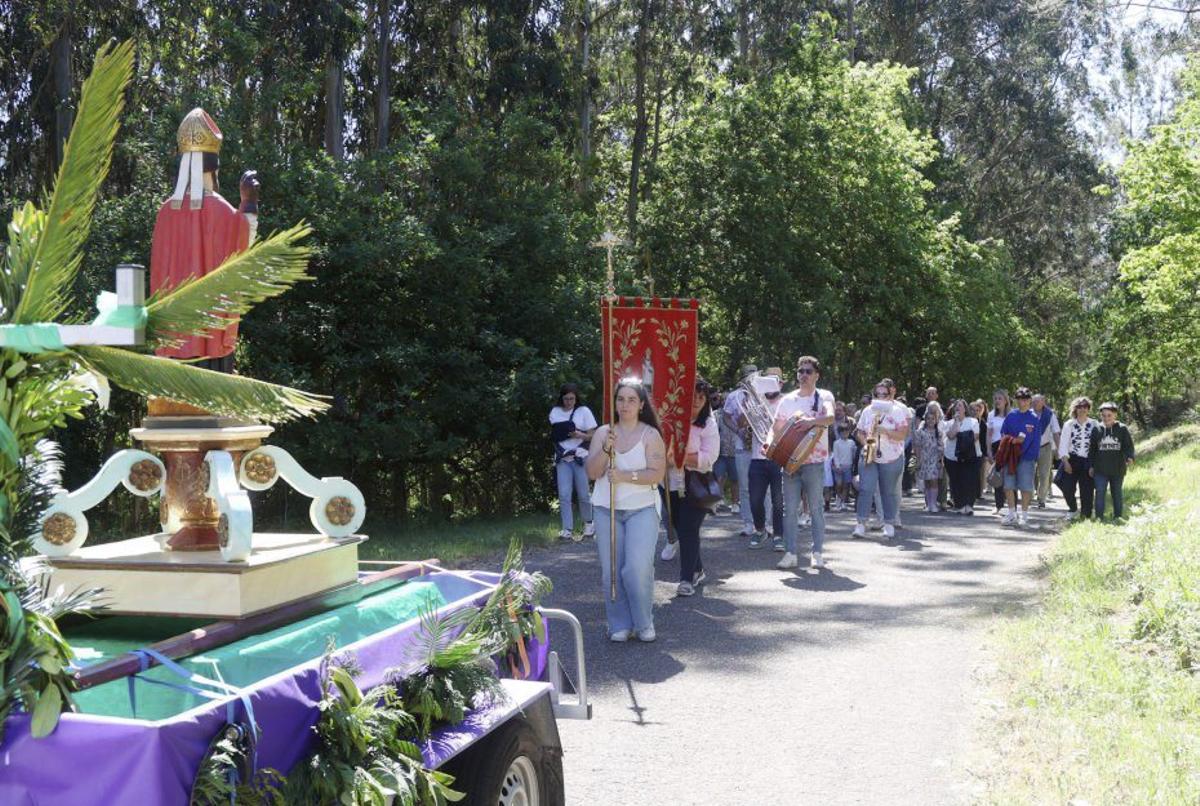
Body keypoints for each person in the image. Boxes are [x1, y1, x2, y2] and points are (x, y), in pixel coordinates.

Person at [151, 108, 259, 373]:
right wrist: (249, 203)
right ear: (214, 168)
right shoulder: (222, 211)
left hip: (173, 345)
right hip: (211, 347)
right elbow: (242, 251)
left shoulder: (165, 213)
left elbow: (158, 278)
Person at [586, 379, 667, 642]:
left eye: (632, 399)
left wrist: (623, 475)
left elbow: (656, 475)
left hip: (642, 508)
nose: (625, 405)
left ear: (642, 404)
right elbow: (592, 472)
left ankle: (644, 622)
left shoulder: (650, 435)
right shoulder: (603, 433)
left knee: (635, 568)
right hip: (606, 508)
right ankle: (619, 623)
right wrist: (607, 448)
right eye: (621, 399)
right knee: (611, 570)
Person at [775, 356, 836, 570]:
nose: (803, 375)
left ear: (817, 375)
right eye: (800, 371)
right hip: (790, 462)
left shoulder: (824, 396)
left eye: (808, 371)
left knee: (816, 508)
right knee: (789, 510)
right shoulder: (787, 400)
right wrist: (771, 447)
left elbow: (829, 417)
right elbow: (777, 428)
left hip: (815, 462)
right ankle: (790, 553)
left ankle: (817, 552)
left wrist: (811, 421)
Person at [667, 378, 720, 596]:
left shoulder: (708, 423)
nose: (697, 402)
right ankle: (697, 568)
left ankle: (686, 579)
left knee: (689, 528)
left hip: (696, 484)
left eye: (701, 397)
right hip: (669, 481)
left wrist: (679, 458)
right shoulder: (671, 418)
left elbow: (710, 456)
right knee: (679, 527)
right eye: (693, 397)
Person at [853, 379, 910, 540]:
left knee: (888, 492)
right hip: (870, 455)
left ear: (890, 394)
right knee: (866, 489)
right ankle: (860, 524)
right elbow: (859, 432)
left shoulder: (897, 410)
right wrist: (866, 444)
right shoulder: (868, 411)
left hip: (891, 457)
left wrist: (885, 430)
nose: (880, 397)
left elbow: (903, 435)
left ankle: (889, 524)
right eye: (877, 394)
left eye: (884, 394)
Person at [549, 383, 598, 541]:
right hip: (563, 457)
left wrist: (579, 435)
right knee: (564, 494)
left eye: (572, 399)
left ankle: (589, 524)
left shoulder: (584, 411)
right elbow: (554, 434)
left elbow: (593, 435)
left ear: (576, 398)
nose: (569, 402)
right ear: (561, 398)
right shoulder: (555, 412)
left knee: (583, 493)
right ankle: (567, 529)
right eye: (566, 399)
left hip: (580, 456)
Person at [722, 364, 759, 538]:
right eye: (749, 377)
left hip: (761, 446)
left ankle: (765, 523)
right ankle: (748, 523)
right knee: (744, 487)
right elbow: (726, 416)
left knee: (762, 487)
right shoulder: (734, 396)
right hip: (742, 444)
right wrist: (737, 430)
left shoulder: (765, 395)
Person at [748, 374, 784, 549]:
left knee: (778, 501)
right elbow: (740, 423)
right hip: (757, 457)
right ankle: (760, 530)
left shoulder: (785, 403)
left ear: (780, 385)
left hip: (778, 458)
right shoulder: (755, 403)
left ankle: (779, 535)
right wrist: (749, 410)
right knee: (755, 499)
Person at [1000, 387, 1041, 527]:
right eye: (1019, 399)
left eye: (1025, 399)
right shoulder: (1011, 415)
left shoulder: (1034, 418)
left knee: (1026, 487)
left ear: (1029, 400)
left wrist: (1033, 457)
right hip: (1010, 456)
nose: (1022, 402)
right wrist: (1012, 441)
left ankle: (1024, 516)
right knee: (1008, 485)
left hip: (1027, 458)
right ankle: (1012, 514)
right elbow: (1003, 433)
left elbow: (1036, 440)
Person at [1089, 402, 1135, 521]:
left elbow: (1128, 446)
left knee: (1117, 493)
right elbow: (1092, 450)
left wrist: (1130, 457)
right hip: (1100, 469)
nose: (1106, 418)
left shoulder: (1122, 429)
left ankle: (1118, 517)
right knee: (1100, 492)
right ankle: (1099, 517)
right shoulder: (1096, 429)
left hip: (1117, 468)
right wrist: (1091, 466)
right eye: (1104, 415)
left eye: (1109, 415)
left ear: (1115, 415)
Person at [1057, 397, 1097, 518]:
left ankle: (1086, 514)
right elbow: (1063, 444)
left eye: (1085, 406)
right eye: (1079, 406)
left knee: (1087, 490)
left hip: (1088, 460)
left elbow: (1097, 446)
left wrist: (1094, 464)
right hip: (1072, 459)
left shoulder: (1094, 424)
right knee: (1066, 485)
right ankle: (1073, 509)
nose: (1082, 409)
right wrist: (1065, 462)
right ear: (1075, 408)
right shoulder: (1069, 424)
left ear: (1088, 409)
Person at [943, 399, 981, 514]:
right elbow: (950, 435)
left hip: (970, 456)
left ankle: (969, 505)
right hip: (952, 457)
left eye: (960, 406)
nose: (958, 408)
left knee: (969, 481)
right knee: (956, 482)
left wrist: (961, 440)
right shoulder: (949, 423)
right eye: (956, 406)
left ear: (965, 409)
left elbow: (975, 436)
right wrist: (956, 421)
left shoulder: (973, 421)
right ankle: (959, 505)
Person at [912, 401, 945, 514]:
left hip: (935, 459)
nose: (930, 421)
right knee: (927, 481)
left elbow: (941, 446)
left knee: (934, 481)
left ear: (936, 420)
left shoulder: (938, 432)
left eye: (933, 419)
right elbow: (917, 445)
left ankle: (933, 503)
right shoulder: (921, 432)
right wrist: (918, 458)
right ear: (925, 420)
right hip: (924, 459)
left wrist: (940, 458)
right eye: (928, 419)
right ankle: (928, 503)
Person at [1032, 394, 1062, 509]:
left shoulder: (1050, 415)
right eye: (1033, 401)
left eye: (1037, 401)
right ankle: (1030, 494)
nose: (1035, 403)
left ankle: (1041, 499)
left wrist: (1060, 449)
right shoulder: (1028, 413)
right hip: (1030, 447)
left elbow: (1056, 433)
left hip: (1045, 447)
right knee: (1029, 473)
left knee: (1044, 474)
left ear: (1043, 402)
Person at [711, 391, 738, 513]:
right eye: (725, 399)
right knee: (718, 477)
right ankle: (717, 502)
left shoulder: (738, 413)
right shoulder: (716, 414)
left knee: (735, 479)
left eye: (730, 399)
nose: (727, 401)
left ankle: (735, 503)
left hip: (735, 452)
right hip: (720, 452)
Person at [987, 389, 1012, 514]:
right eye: (995, 399)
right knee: (997, 476)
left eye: (1000, 398)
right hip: (996, 447)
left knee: (1010, 476)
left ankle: (1012, 506)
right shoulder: (991, 415)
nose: (997, 401)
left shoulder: (1012, 415)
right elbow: (989, 434)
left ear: (1006, 401)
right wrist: (989, 450)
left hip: (1009, 446)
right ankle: (999, 506)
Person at [832, 427, 855, 511]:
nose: (845, 434)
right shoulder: (836, 443)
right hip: (839, 466)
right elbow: (836, 455)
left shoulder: (851, 442)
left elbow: (853, 454)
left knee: (846, 485)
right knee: (839, 484)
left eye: (847, 432)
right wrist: (837, 466)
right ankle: (838, 497)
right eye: (843, 432)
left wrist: (852, 464)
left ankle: (843, 502)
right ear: (839, 433)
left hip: (848, 466)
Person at [971, 399, 990, 502]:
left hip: (980, 452)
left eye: (978, 410)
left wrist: (986, 453)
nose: (976, 412)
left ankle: (979, 493)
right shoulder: (968, 421)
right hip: (969, 452)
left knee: (981, 473)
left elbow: (985, 440)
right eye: (974, 410)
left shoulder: (983, 423)